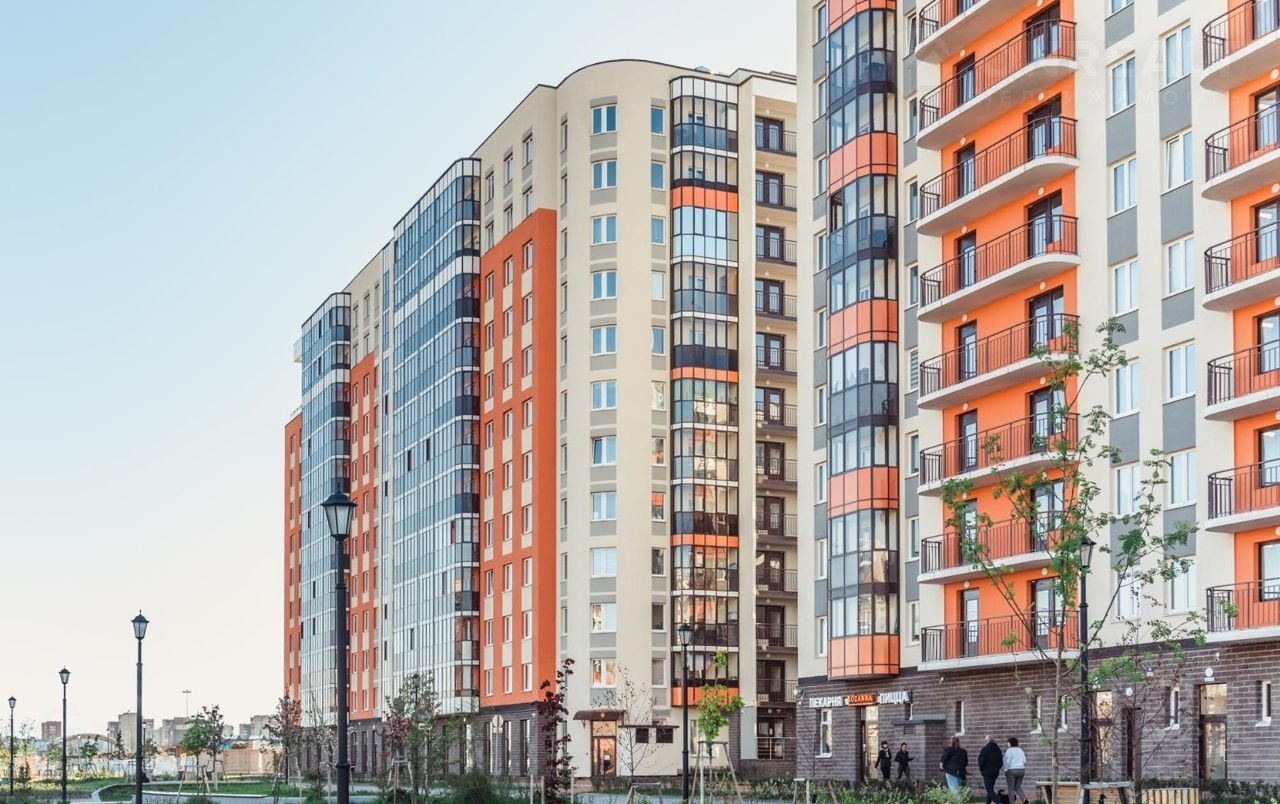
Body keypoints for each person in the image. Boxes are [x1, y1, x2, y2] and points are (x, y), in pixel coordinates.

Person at [978, 735, 1004, 804]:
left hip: (987, 772)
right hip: (995, 772)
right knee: (990, 788)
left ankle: (999, 801)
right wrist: (997, 768)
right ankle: (988, 802)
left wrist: (982, 770)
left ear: (987, 741)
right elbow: (1001, 762)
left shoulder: (985, 749)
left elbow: (981, 761)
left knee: (989, 789)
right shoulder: (998, 750)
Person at [1003, 736, 1027, 804]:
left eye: (1008, 743)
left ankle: (1012, 802)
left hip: (1012, 770)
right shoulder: (1020, 750)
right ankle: (1024, 799)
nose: (1007, 744)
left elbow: (1007, 762)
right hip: (1021, 770)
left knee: (1011, 788)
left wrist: (1005, 769)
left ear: (1010, 743)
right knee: (1018, 786)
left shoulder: (1009, 750)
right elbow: (1024, 761)